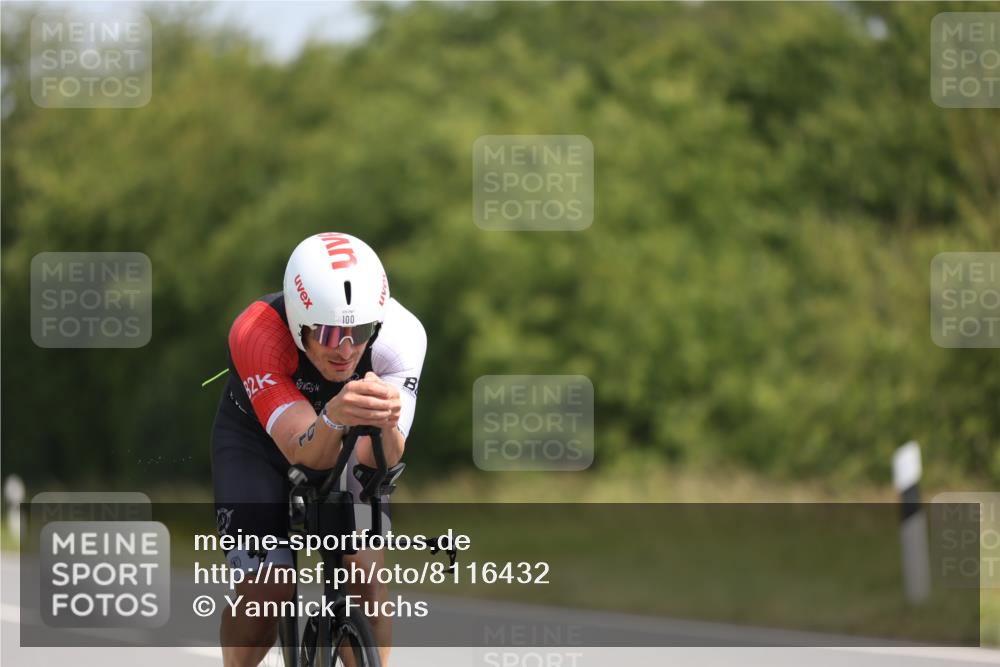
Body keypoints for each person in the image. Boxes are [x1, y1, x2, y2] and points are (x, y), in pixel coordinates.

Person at [211, 232, 426, 667]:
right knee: (267, 590)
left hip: (346, 440)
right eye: (328, 333)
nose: (346, 350)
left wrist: (383, 421)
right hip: (259, 445)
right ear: (298, 324)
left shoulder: (401, 336)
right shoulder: (257, 333)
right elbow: (302, 452)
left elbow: (376, 462)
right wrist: (333, 416)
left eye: (359, 332)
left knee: (365, 579)